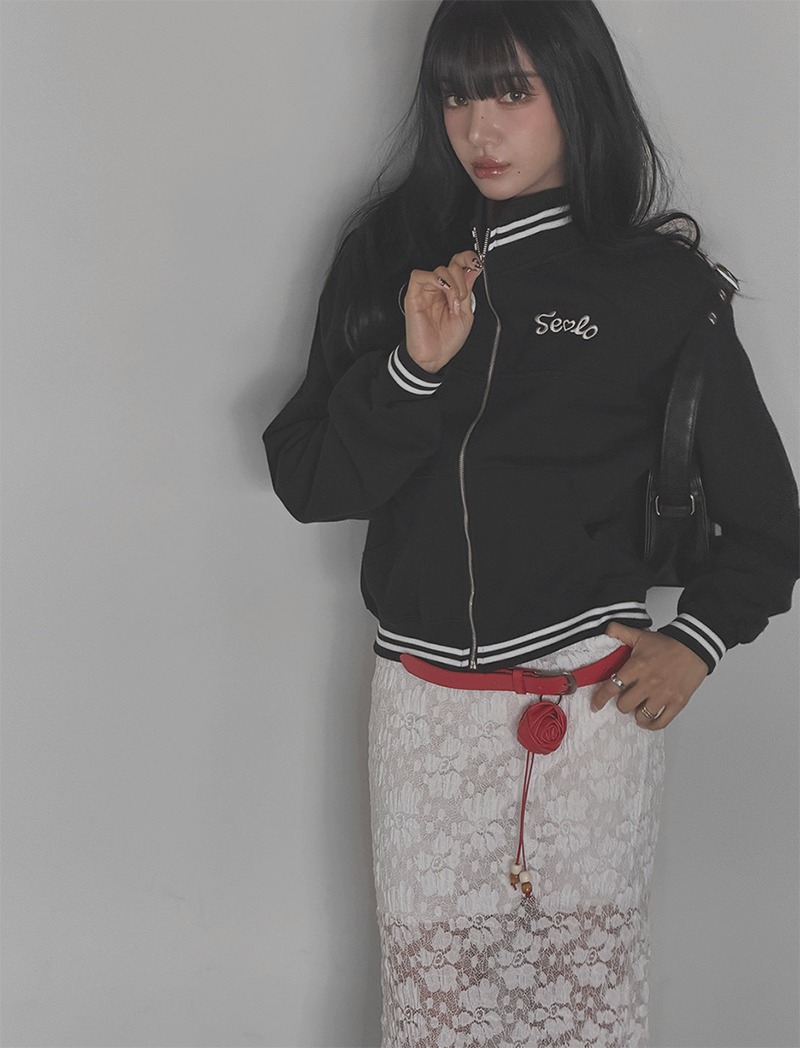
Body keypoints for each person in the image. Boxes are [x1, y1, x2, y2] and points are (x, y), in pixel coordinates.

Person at [263, 0, 800, 1044]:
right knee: (434, 1013)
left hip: (593, 712)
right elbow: (309, 480)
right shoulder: (389, 258)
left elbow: (767, 522)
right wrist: (414, 370)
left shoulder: (658, 287)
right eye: (455, 94)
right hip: (422, 716)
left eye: (512, 91)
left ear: (578, 89)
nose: (480, 128)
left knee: (583, 1013)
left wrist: (696, 641)